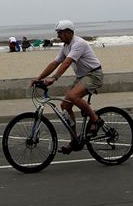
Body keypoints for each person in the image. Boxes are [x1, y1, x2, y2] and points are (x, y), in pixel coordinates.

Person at [31, 20, 103, 155]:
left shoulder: (78, 44)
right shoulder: (65, 46)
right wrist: (39, 78)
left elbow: (67, 63)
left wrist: (54, 78)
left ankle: (95, 119)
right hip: (82, 77)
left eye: (60, 33)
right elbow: (55, 63)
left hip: (94, 74)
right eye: (58, 33)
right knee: (65, 105)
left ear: (69, 32)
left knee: (72, 96)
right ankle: (74, 141)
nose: (58, 36)